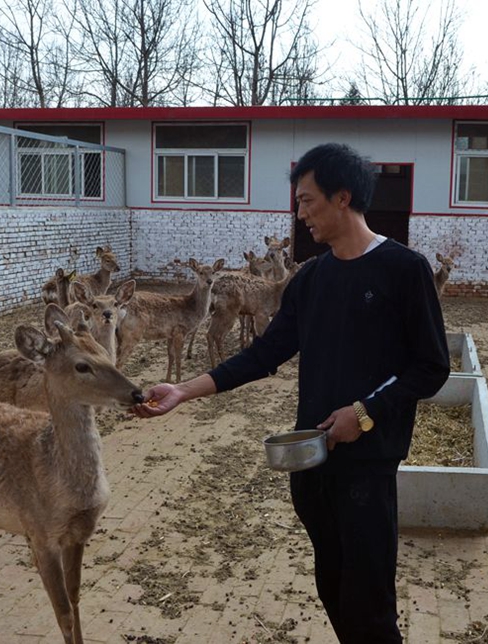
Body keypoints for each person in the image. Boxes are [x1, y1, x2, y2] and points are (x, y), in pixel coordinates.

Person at [132, 142, 450, 643]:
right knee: (332, 587)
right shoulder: (312, 279)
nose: (300, 214)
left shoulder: (403, 269)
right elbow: (264, 354)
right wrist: (183, 391)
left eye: (307, 201)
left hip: (368, 468)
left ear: (343, 197)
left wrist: (365, 413)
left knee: (370, 603)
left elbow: (431, 367)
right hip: (311, 463)